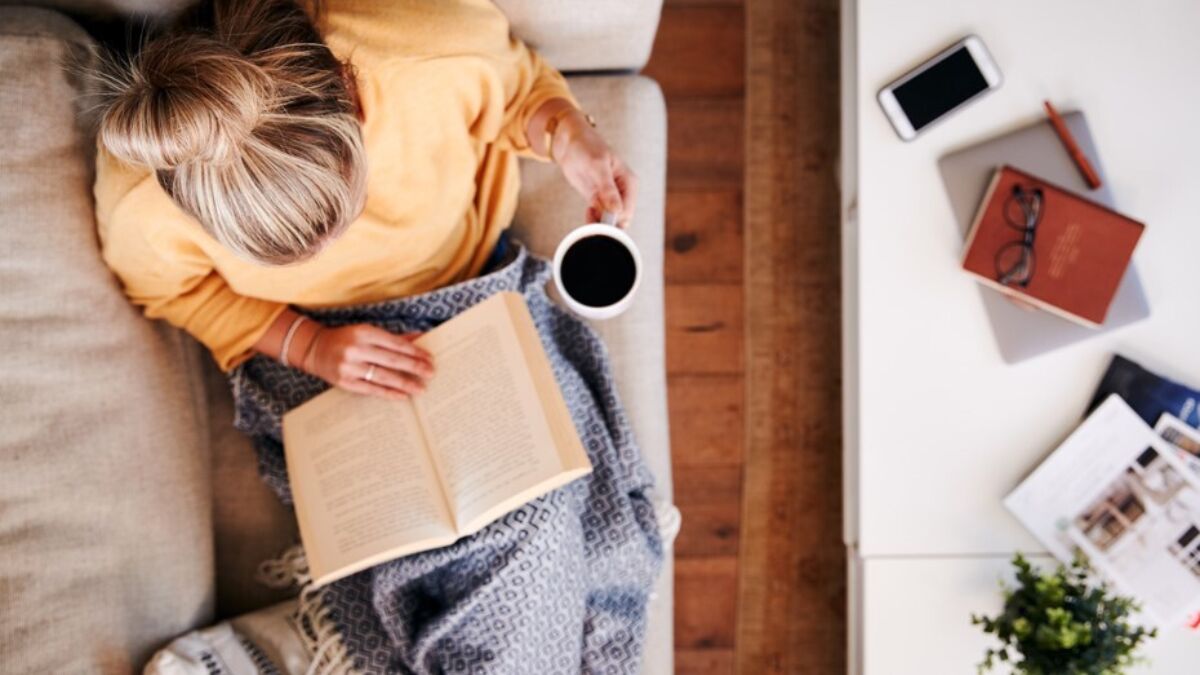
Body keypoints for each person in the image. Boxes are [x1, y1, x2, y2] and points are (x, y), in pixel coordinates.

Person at [94, 0, 638, 398]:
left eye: (346, 210)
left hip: (473, 280)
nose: (336, 247)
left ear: (350, 96)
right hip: (314, 346)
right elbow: (172, 294)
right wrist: (309, 347)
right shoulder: (143, 199)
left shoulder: (429, 45)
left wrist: (568, 135)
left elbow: (518, 92)